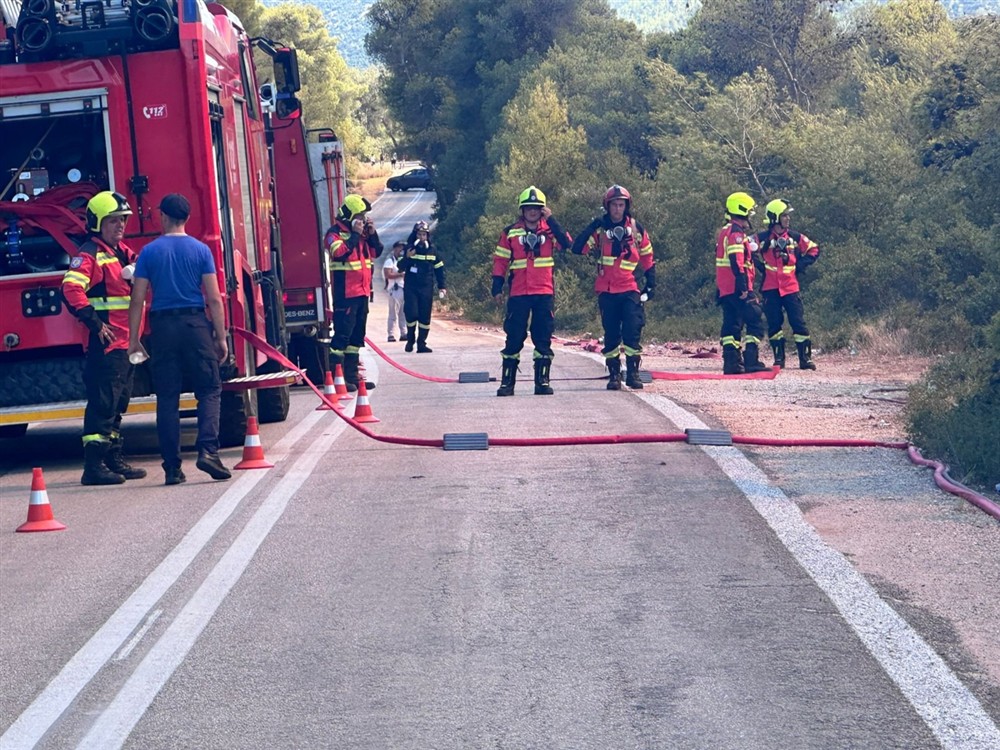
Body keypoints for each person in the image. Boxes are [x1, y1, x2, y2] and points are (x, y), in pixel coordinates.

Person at [127, 193, 232, 485]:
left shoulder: (149, 252)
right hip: (195, 324)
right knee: (209, 389)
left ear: (162, 216)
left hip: (162, 328)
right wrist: (220, 337)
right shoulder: (201, 251)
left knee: (168, 397)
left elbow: (138, 300)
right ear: (186, 218)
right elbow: (213, 297)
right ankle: (208, 451)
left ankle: (172, 468)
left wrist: (134, 339)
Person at [62, 190, 147, 485]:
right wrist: (96, 324)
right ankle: (94, 466)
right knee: (102, 405)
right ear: (97, 222)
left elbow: (145, 268)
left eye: (122, 220)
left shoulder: (121, 251)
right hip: (107, 344)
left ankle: (113, 458)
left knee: (117, 404)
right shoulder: (89, 254)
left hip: (127, 343)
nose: (120, 226)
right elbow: (71, 290)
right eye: (113, 221)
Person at [571, 185, 655, 390]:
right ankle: (614, 374)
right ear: (607, 207)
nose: (618, 209)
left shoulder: (636, 229)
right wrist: (593, 226)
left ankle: (633, 373)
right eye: (614, 205)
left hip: (629, 288)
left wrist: (651, 283)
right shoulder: (601, 232)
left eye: (621, 205)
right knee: (611, 334)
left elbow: (647, 256)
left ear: (627, 206)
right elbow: (577, 248)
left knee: (632, 330)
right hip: (607, 290)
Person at [492, 186, 572, 396]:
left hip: (543, 292)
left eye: (537, 208)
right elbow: (500, 261)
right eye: (529, 208)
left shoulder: (550, 231)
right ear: (522, 209)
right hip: (518, 293)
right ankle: (507, 383)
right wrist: (496, 286)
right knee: (514, 337)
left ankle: (542, 382)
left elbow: (567, 243)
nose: (532, 212)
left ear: (542, 210)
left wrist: (552, 220)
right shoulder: (510, 232)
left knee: (543, 336)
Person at [325, 194, 383, 388]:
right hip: (346, 294)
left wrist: (372, 233)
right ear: (349, 215)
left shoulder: (363, 236)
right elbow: (338, 253)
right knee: (342, 336)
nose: (362, 220)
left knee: (356, 338)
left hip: (362, 293)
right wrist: (355, 235)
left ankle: (351, 377)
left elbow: (377, 252)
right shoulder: (334, 234)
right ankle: (336, 378)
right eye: (359, 216)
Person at [754, 199, 819, 369]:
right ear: (775, 218)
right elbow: (744, 250)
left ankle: (805, 359)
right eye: (784, 216)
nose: (788, 219)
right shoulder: (761, 238)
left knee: (798, 322)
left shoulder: (795, 237)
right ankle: (779, 360)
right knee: (774, 323)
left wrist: (799, 265)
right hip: (770, 287)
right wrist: (760, 266)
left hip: (790, 287)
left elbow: (814, 249)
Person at [715, 191, 769, 375]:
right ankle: (751, 360)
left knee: (732, 324)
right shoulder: (736, 233)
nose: (750, 217)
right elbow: (736, 261)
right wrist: (744, 287)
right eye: (750, 212)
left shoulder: (725, 230)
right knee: (755, 320)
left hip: (725, 288)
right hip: (737, 287)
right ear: (742, 210)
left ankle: (731, 363)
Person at [399, 220, 446, 352]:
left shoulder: (432, 250)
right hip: (411, 287)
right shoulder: (408, 249)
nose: (421, 238)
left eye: (424, 235)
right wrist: (407, 257)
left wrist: (442, 286)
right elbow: (400, 267)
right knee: (412, 313)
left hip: (426, 287)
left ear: (427, 236)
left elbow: (439, 268)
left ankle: (422, 344)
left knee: (425, 316)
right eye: (419, 235)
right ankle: (410, 340)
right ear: (415, 235)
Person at [382, 241, 407, 341]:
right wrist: (400, 275)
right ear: (394, 249)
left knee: (403, 313)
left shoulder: (405, 261)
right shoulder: (390, 261)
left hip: (404, 288)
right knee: (393, 313)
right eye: (399, 247)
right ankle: (391, 334)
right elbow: (388, 275)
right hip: (394, 289)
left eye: (402, 248)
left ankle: (403, 333)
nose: (401, 250)